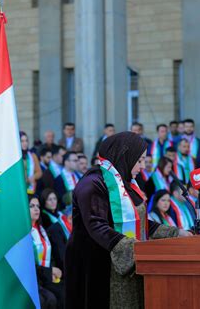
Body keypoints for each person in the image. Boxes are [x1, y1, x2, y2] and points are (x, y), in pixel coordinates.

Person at [65, 132, 190, 309]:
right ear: (124, 156)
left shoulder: (127, 182)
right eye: (139, 160)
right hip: (95, 263)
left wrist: (176, 233)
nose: (143, 166)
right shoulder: (92, 184)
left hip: (125, 259)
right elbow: (96, 226)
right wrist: (137, 248)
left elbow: (141, 223)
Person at [29, 196, 64, 309]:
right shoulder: (23, 234)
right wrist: (50, 271)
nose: (36, 209)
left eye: (38, 206)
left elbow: (50, 255)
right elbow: (27, 264)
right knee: (51, 298)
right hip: (34, 279)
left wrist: (52, 270)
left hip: (46, 275)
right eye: (32, 206)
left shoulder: (41, 229)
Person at [39, 189, 70, 272]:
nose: (53, 202)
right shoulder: (44, 218)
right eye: (49, 199)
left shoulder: (60, 214)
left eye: (54, 198)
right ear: (44, 201)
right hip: (59, 256)